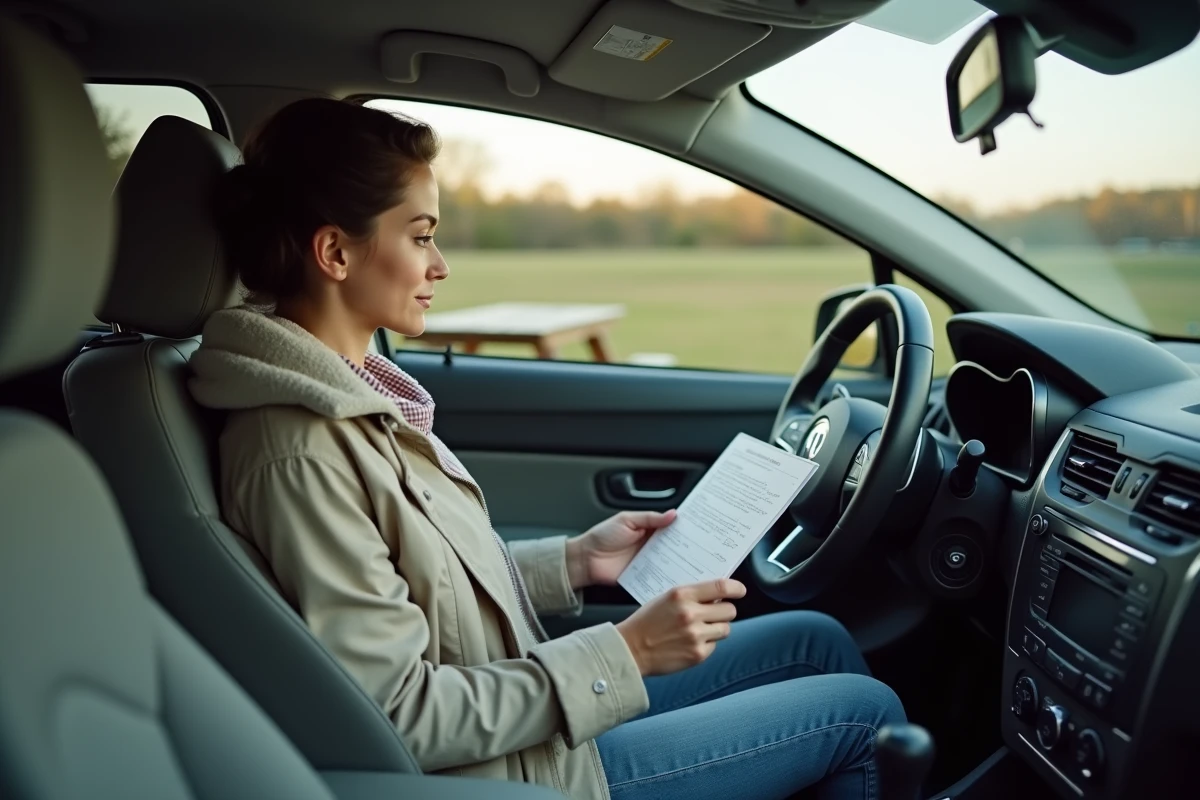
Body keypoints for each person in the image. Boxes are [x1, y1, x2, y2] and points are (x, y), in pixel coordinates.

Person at [189, 98, 906, 800]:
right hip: (518, 774)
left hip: (527, 724)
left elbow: (427, 591)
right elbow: (397, 714)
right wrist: (628, 652)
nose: (440, 266)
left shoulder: (353, 399)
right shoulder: (300, 447)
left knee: (813, 640)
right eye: (420, 235)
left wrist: (574, 561)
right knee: (864, 720)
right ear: (336, 251)